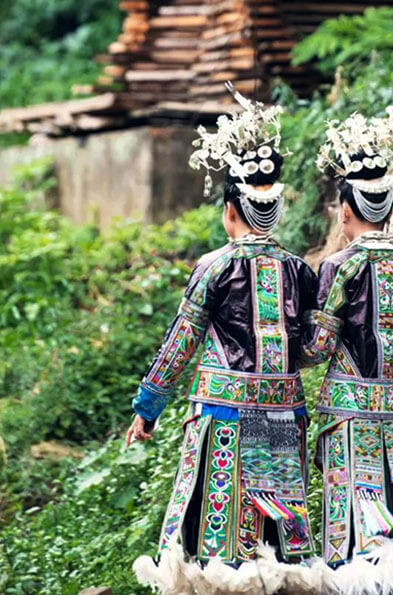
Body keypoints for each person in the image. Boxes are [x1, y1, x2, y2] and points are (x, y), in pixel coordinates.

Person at [129, 84, 321, 594]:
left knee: (222, 553)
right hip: (281, 416)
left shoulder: (214, 267)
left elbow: (181, 342)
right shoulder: (301, 271)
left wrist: (148, 408)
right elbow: (307, 348)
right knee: (278, 544)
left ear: (231, 211)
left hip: (225, 419)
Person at [301, 110, 393, 594]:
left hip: (351, 419)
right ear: (388, 209)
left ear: (345, 211)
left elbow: (318, 347)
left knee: (358, 530)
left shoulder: (339, 267)